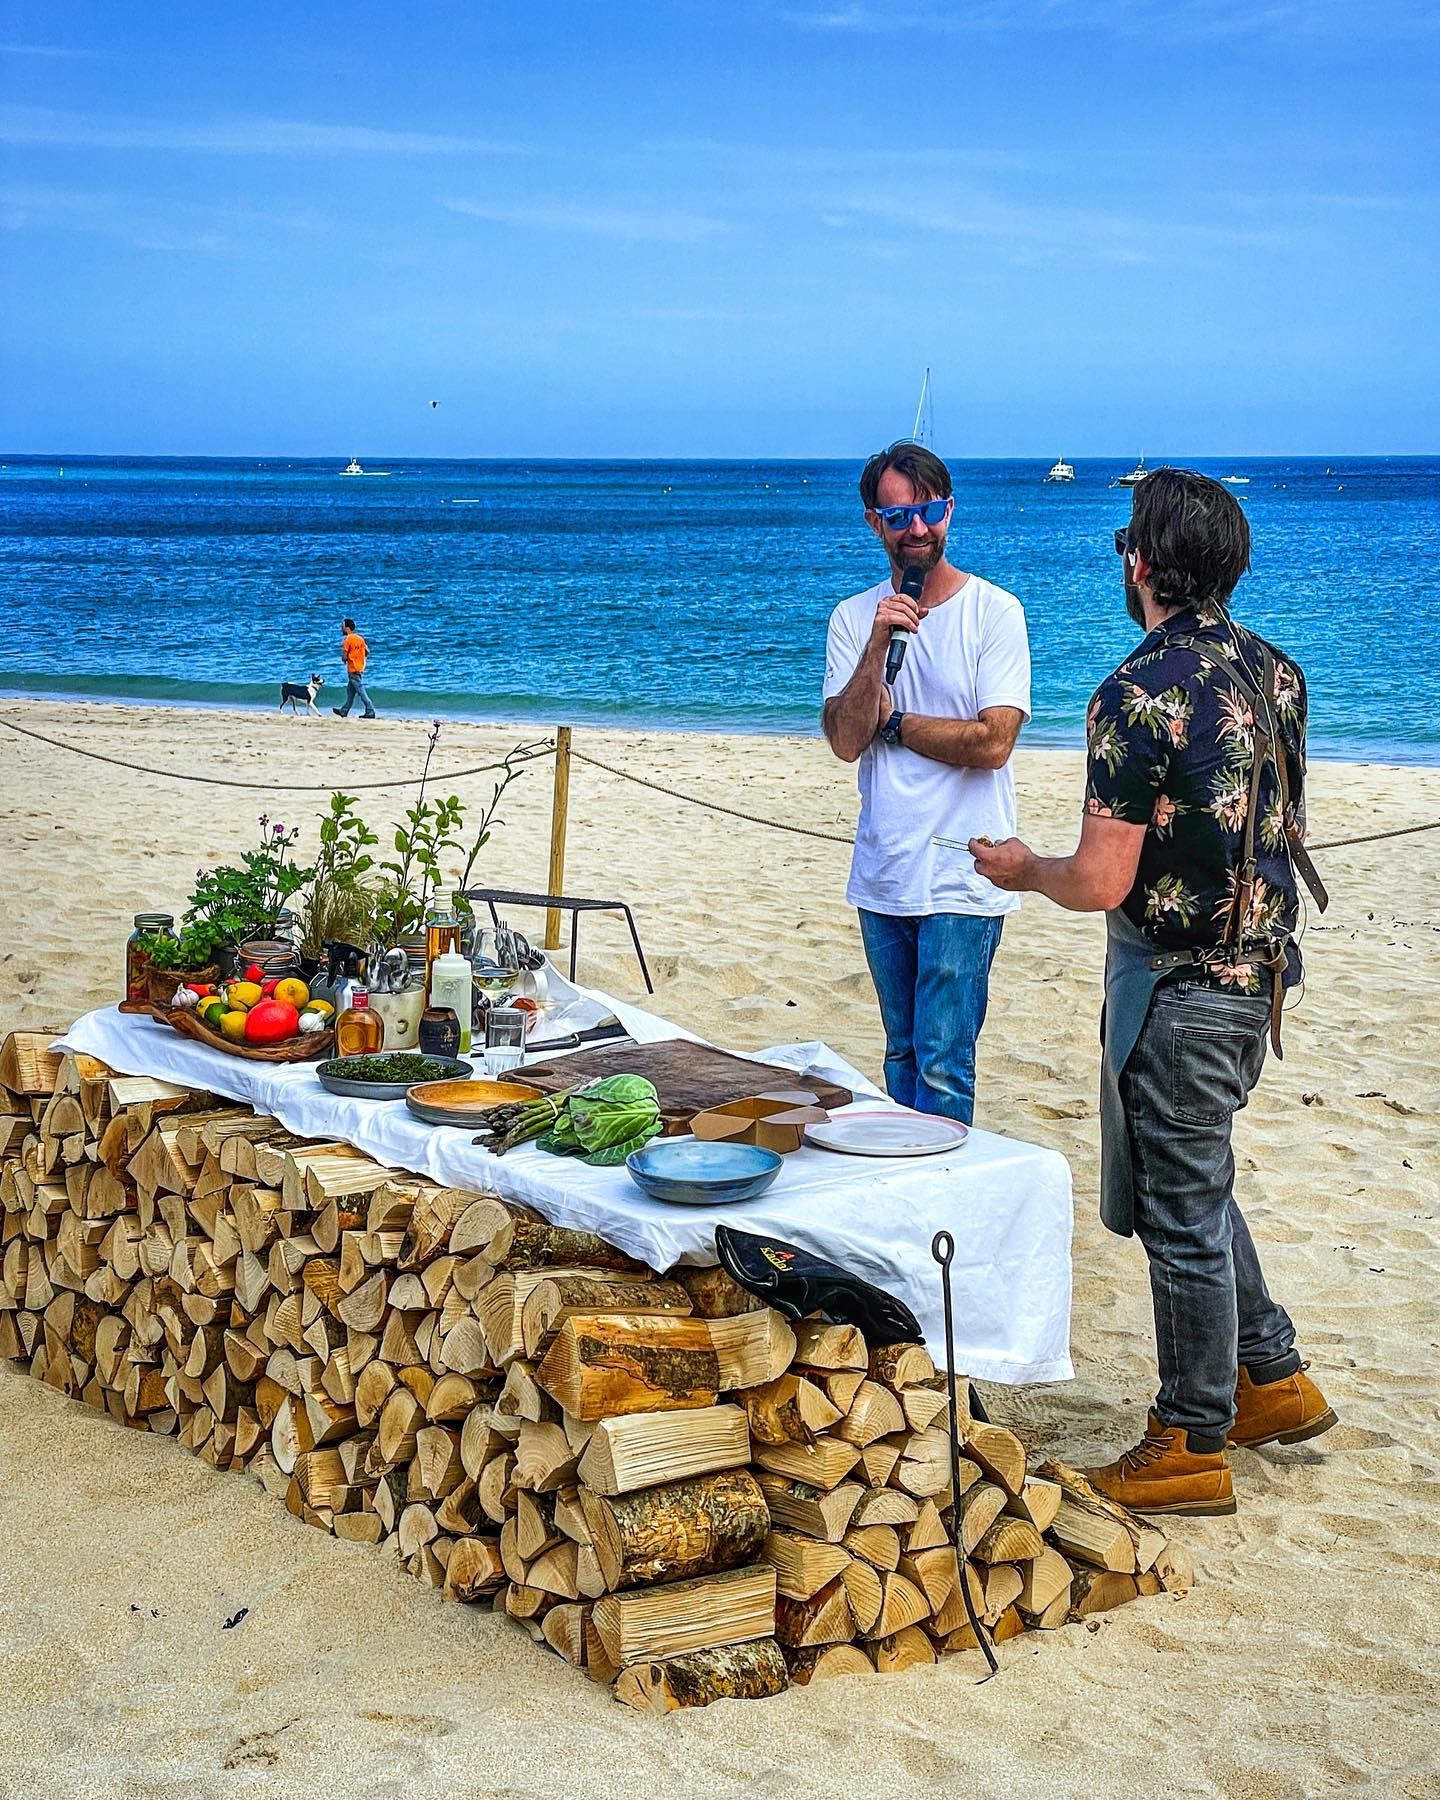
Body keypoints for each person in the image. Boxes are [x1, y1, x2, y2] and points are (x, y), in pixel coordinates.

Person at [971, 467, 1335, 1515]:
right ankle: (1270, 1376)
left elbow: (1099, 882)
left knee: (1180, 1214)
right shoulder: (1279, 673)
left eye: (1124, 545)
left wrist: (1021, 868)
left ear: (1141, 562)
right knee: (1200, 1184)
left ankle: (1188, 1437)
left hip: (1179, 984)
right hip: (1259, 974)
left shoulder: (1139, 692)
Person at [822, 441, 1031, 1125]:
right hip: (884, 869)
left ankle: (946, 1213)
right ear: (873, 522)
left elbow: (993, 742)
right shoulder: (854, 620)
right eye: (900, 514)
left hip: (962, 872)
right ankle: (906, 1201)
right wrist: (878, 645)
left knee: (944, 1060)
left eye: (932, 510)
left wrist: (898, 725)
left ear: (951, 510)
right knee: (902, 1055)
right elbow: (844, 739)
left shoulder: (995, 612)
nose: (919, 529)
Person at [333, 617, 378, 719]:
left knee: (360, 690)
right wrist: (359, 656)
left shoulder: (347, 640)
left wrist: (345, 658)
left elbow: (344, 656)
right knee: (350, 692)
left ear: (347, 628)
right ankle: (344, 711)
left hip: (352, 668)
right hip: (360, 667)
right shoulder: (360, 638)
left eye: (342, 627)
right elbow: (367, 652)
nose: (341, 629)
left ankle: (370, 710)